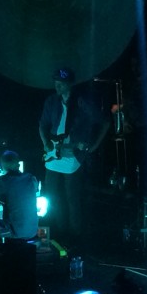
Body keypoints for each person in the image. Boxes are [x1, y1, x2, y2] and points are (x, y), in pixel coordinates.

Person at [38, 67, 111, 250]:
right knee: (53, 196)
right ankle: (59, 233)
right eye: (56, 84)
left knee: (72, 197)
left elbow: (104, 122)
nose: (58, 88)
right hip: (53, 154)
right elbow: (42, 125)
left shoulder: (81, 102)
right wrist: (46, 142)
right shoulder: (51, 101)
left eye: (61, 84)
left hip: (72, 155)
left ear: (69, 84)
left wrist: (93, 146)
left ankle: (75, 235)